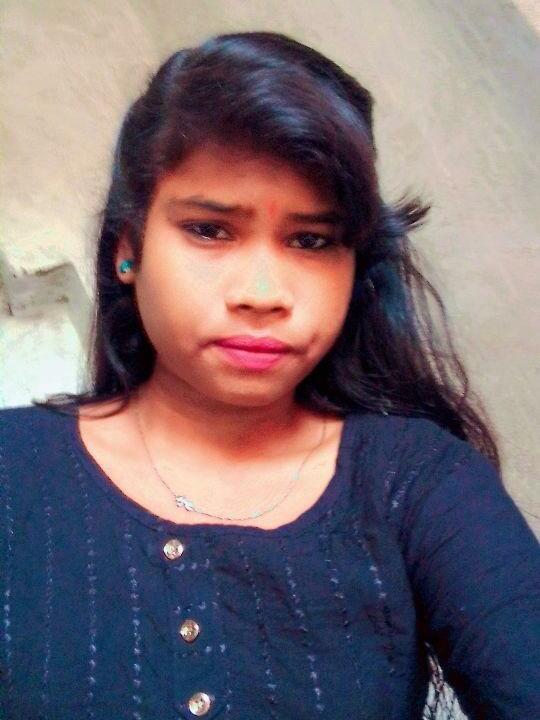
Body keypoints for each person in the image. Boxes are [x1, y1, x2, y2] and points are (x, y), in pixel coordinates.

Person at [0, 30, 538, 720]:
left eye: (312, 241)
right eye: (210, 230)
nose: (263, 294)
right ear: (127, 249)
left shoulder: (418, 480)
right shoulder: (13, 467)